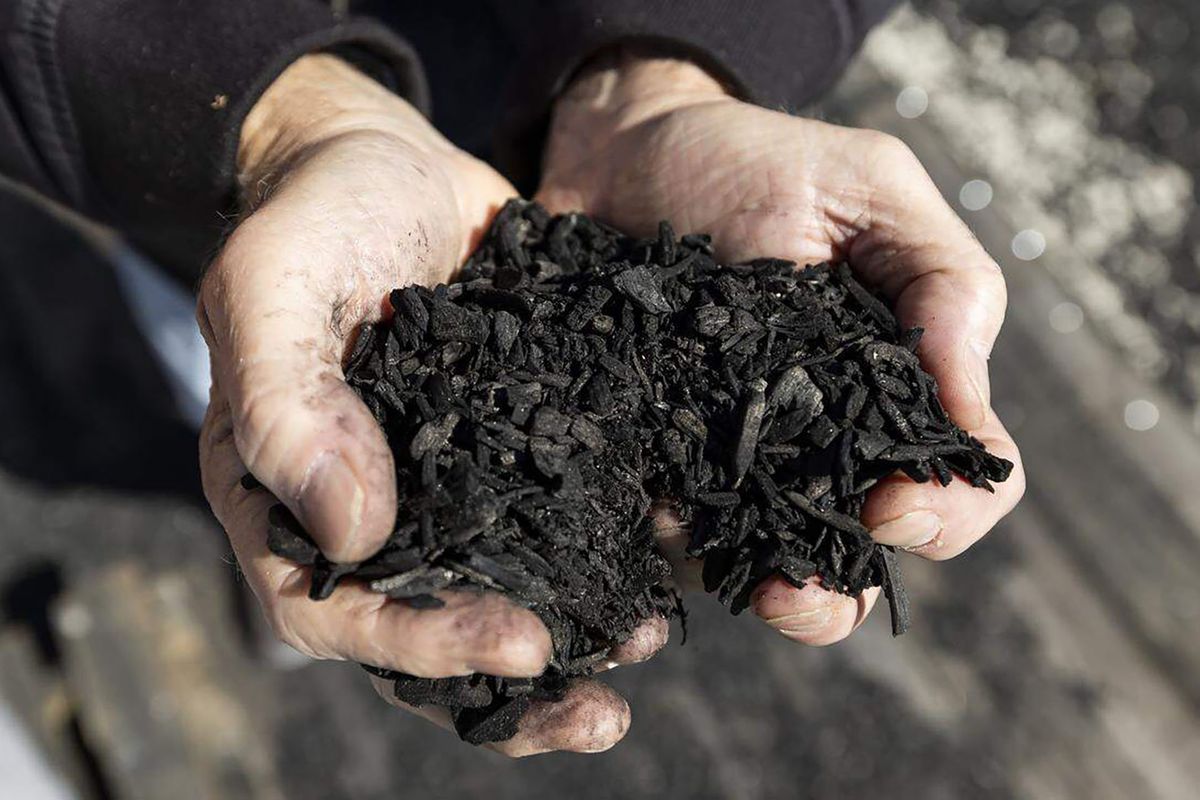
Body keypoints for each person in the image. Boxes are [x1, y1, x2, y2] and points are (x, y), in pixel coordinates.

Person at [0, 1, 1024, 756]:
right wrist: (275, 110)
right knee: (210, 365)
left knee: (269, 397)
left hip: (509, 83)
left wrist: (668, 59)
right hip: (181, 128)